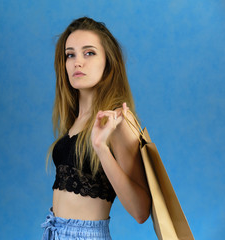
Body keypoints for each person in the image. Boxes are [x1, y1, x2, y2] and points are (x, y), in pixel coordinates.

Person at [41, 17, 151, 240]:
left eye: (89, 53)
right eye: (70, 54)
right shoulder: (75, 120)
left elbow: (141, 211)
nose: (77, 62)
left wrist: (100, 147)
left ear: (108, 62)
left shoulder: (118, 121)